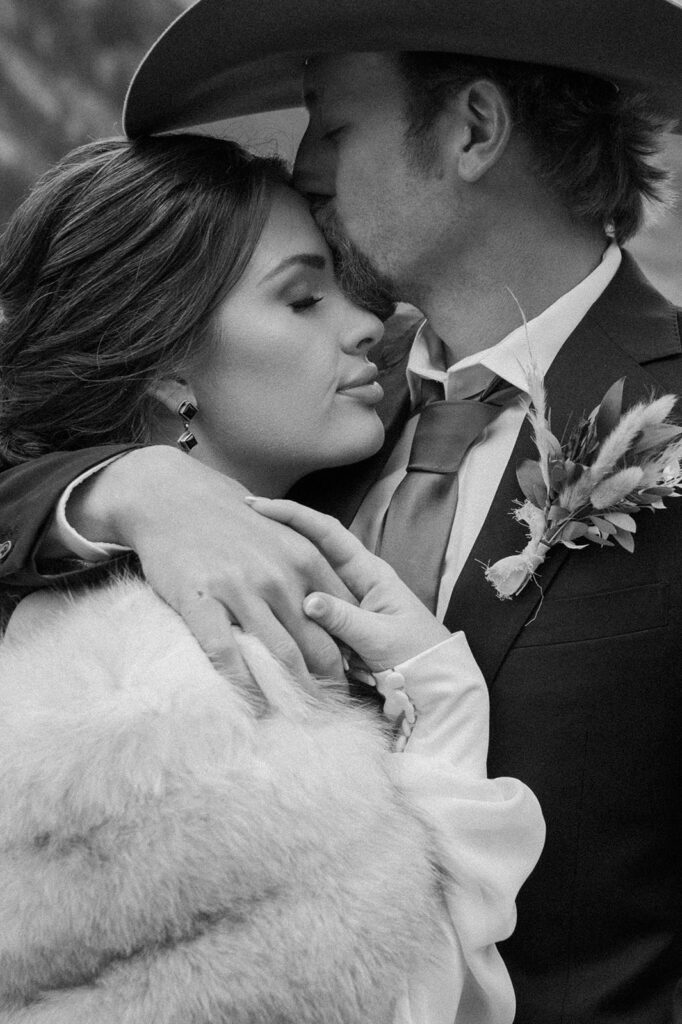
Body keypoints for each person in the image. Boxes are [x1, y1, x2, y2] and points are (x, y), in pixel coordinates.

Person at [0, 0, 681, 1020]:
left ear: (472, 130)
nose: (305, 162)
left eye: (333, 120)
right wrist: (130, 487)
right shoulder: (312, 416)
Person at [0, 133, 544, 1024]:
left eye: (343, 282)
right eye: (301, 299)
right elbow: (405, 1001)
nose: (369, 323)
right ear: (169, 372)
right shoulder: (161, 682)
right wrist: (444, 707)